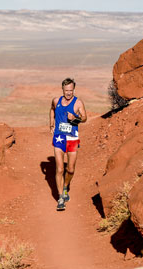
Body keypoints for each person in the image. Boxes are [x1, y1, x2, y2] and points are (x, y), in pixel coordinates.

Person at [49, 78, 87, 211]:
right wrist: (51, 124)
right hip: (59, 137)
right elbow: (52, 110)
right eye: (66, 91)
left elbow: (84, 118)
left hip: (72, 138)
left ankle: (65, 187)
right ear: (62, 89)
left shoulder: (78, 102)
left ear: (73, 89)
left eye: (71, 90)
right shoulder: (56, 101)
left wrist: (75, 117)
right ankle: (60, 198)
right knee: (59, 169)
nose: (68, 93)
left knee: (70, 169)